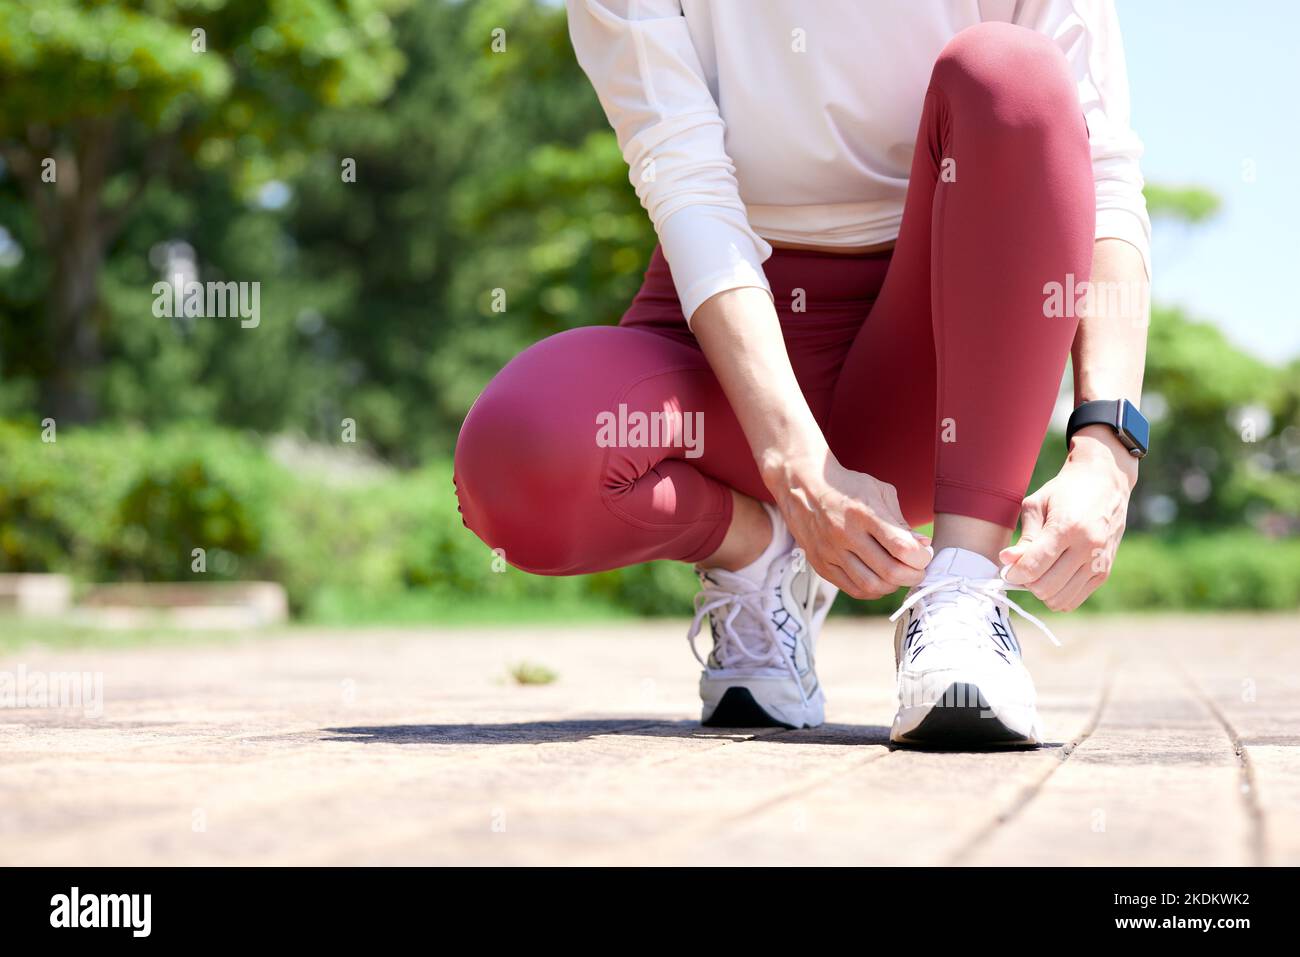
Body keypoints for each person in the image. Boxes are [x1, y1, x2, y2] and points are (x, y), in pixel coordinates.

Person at [454, 0, 1151, 747]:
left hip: (934, 357)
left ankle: (961, 595)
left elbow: (1100, 174)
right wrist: (792, 463)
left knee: (1011, 72)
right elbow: (686, 183)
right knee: (514, 460)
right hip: (729, 340)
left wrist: (1109, 447)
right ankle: (758, 558)